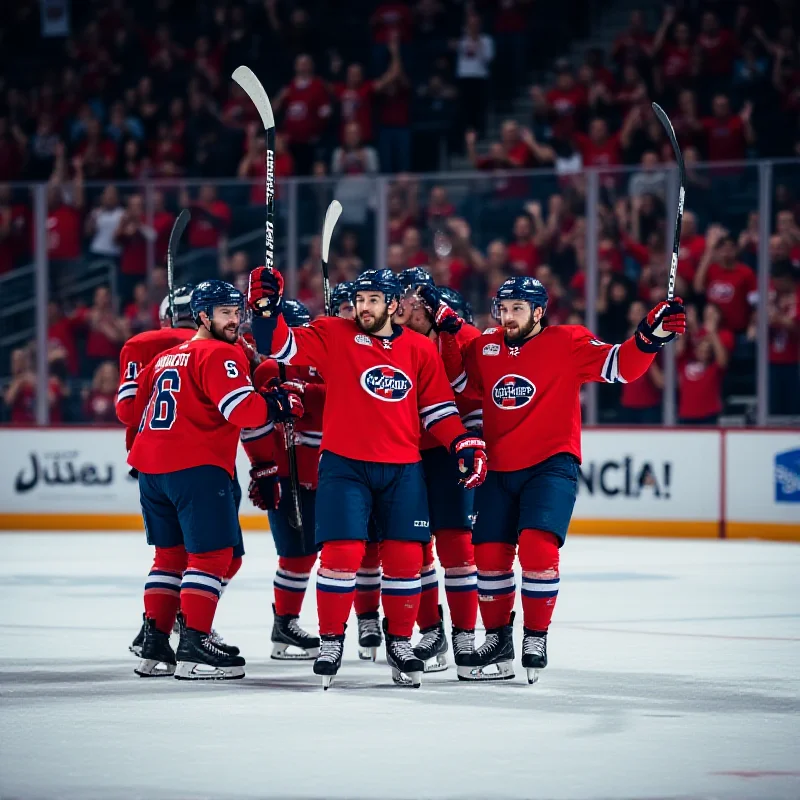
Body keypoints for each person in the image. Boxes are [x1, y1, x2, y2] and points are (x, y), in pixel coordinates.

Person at [248, 267, 488, 688]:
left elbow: (438, 410)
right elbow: (278, 346)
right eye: (360, 300)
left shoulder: (418, 348)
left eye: (373, 299)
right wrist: (265, 309)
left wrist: (462, 443)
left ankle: (399, 641)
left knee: (406, 560)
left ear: (394, 305)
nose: (363, 307)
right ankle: (330, 641)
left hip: (403, 468)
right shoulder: (334, 334)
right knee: (341, 555)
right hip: (345, 466)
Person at [440, 276, 685, 683]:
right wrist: (450, 335)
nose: (509, 315)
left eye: (519, 308)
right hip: (499, 467)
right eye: (504, 307)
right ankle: (498, 640)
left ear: (539, 312)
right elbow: (465, 385)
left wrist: (648, 338)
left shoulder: (567, 341)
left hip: (551, 464)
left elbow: (620, 367)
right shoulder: (486, 345)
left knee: (537, 548)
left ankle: (535, 636)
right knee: (488, 556)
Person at [118, 280, 302, 681]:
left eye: (238, 311)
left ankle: (155, 645)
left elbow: (131, 413)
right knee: (213, 557)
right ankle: (195, 645)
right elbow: (245, 412)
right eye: (225, 312)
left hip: (152, 471)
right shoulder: (220, 354)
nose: (235, 320)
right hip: (196, 468)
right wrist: (278, 402)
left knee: (169, 557)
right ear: (202, 316)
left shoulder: (164, 358)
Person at [393, 268, 482, 674]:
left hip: (450, 452)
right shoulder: (399, 340)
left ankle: (464, 634)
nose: (404, 304)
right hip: (408, 452)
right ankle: (431, 631)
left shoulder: (463, 338)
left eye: (413, 299)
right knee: (414, 549)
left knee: (457, 548)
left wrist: (453, 330)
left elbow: (464, 387)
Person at [243, 300, 323, 660]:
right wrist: (265, 470)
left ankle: (288, 624)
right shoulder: (269, 371)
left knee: (311, 555)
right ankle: (284, 624)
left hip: (324, 477)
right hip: (287, 476)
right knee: (295, 553)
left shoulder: (322, 368)